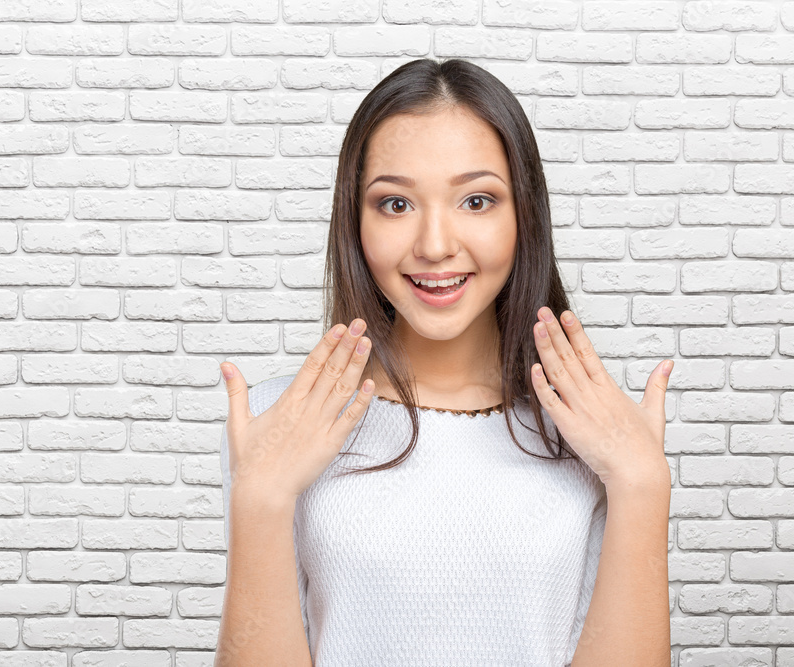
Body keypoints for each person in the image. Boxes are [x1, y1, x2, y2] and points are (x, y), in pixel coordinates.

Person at [214, 58, 672, 666]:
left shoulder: (596, 432)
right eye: (395, 205)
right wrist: (260, 499)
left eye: (476, 200)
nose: (434, 245)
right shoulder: (280, 420)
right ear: (355, 222)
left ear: (523, 217)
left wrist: (642, 485)